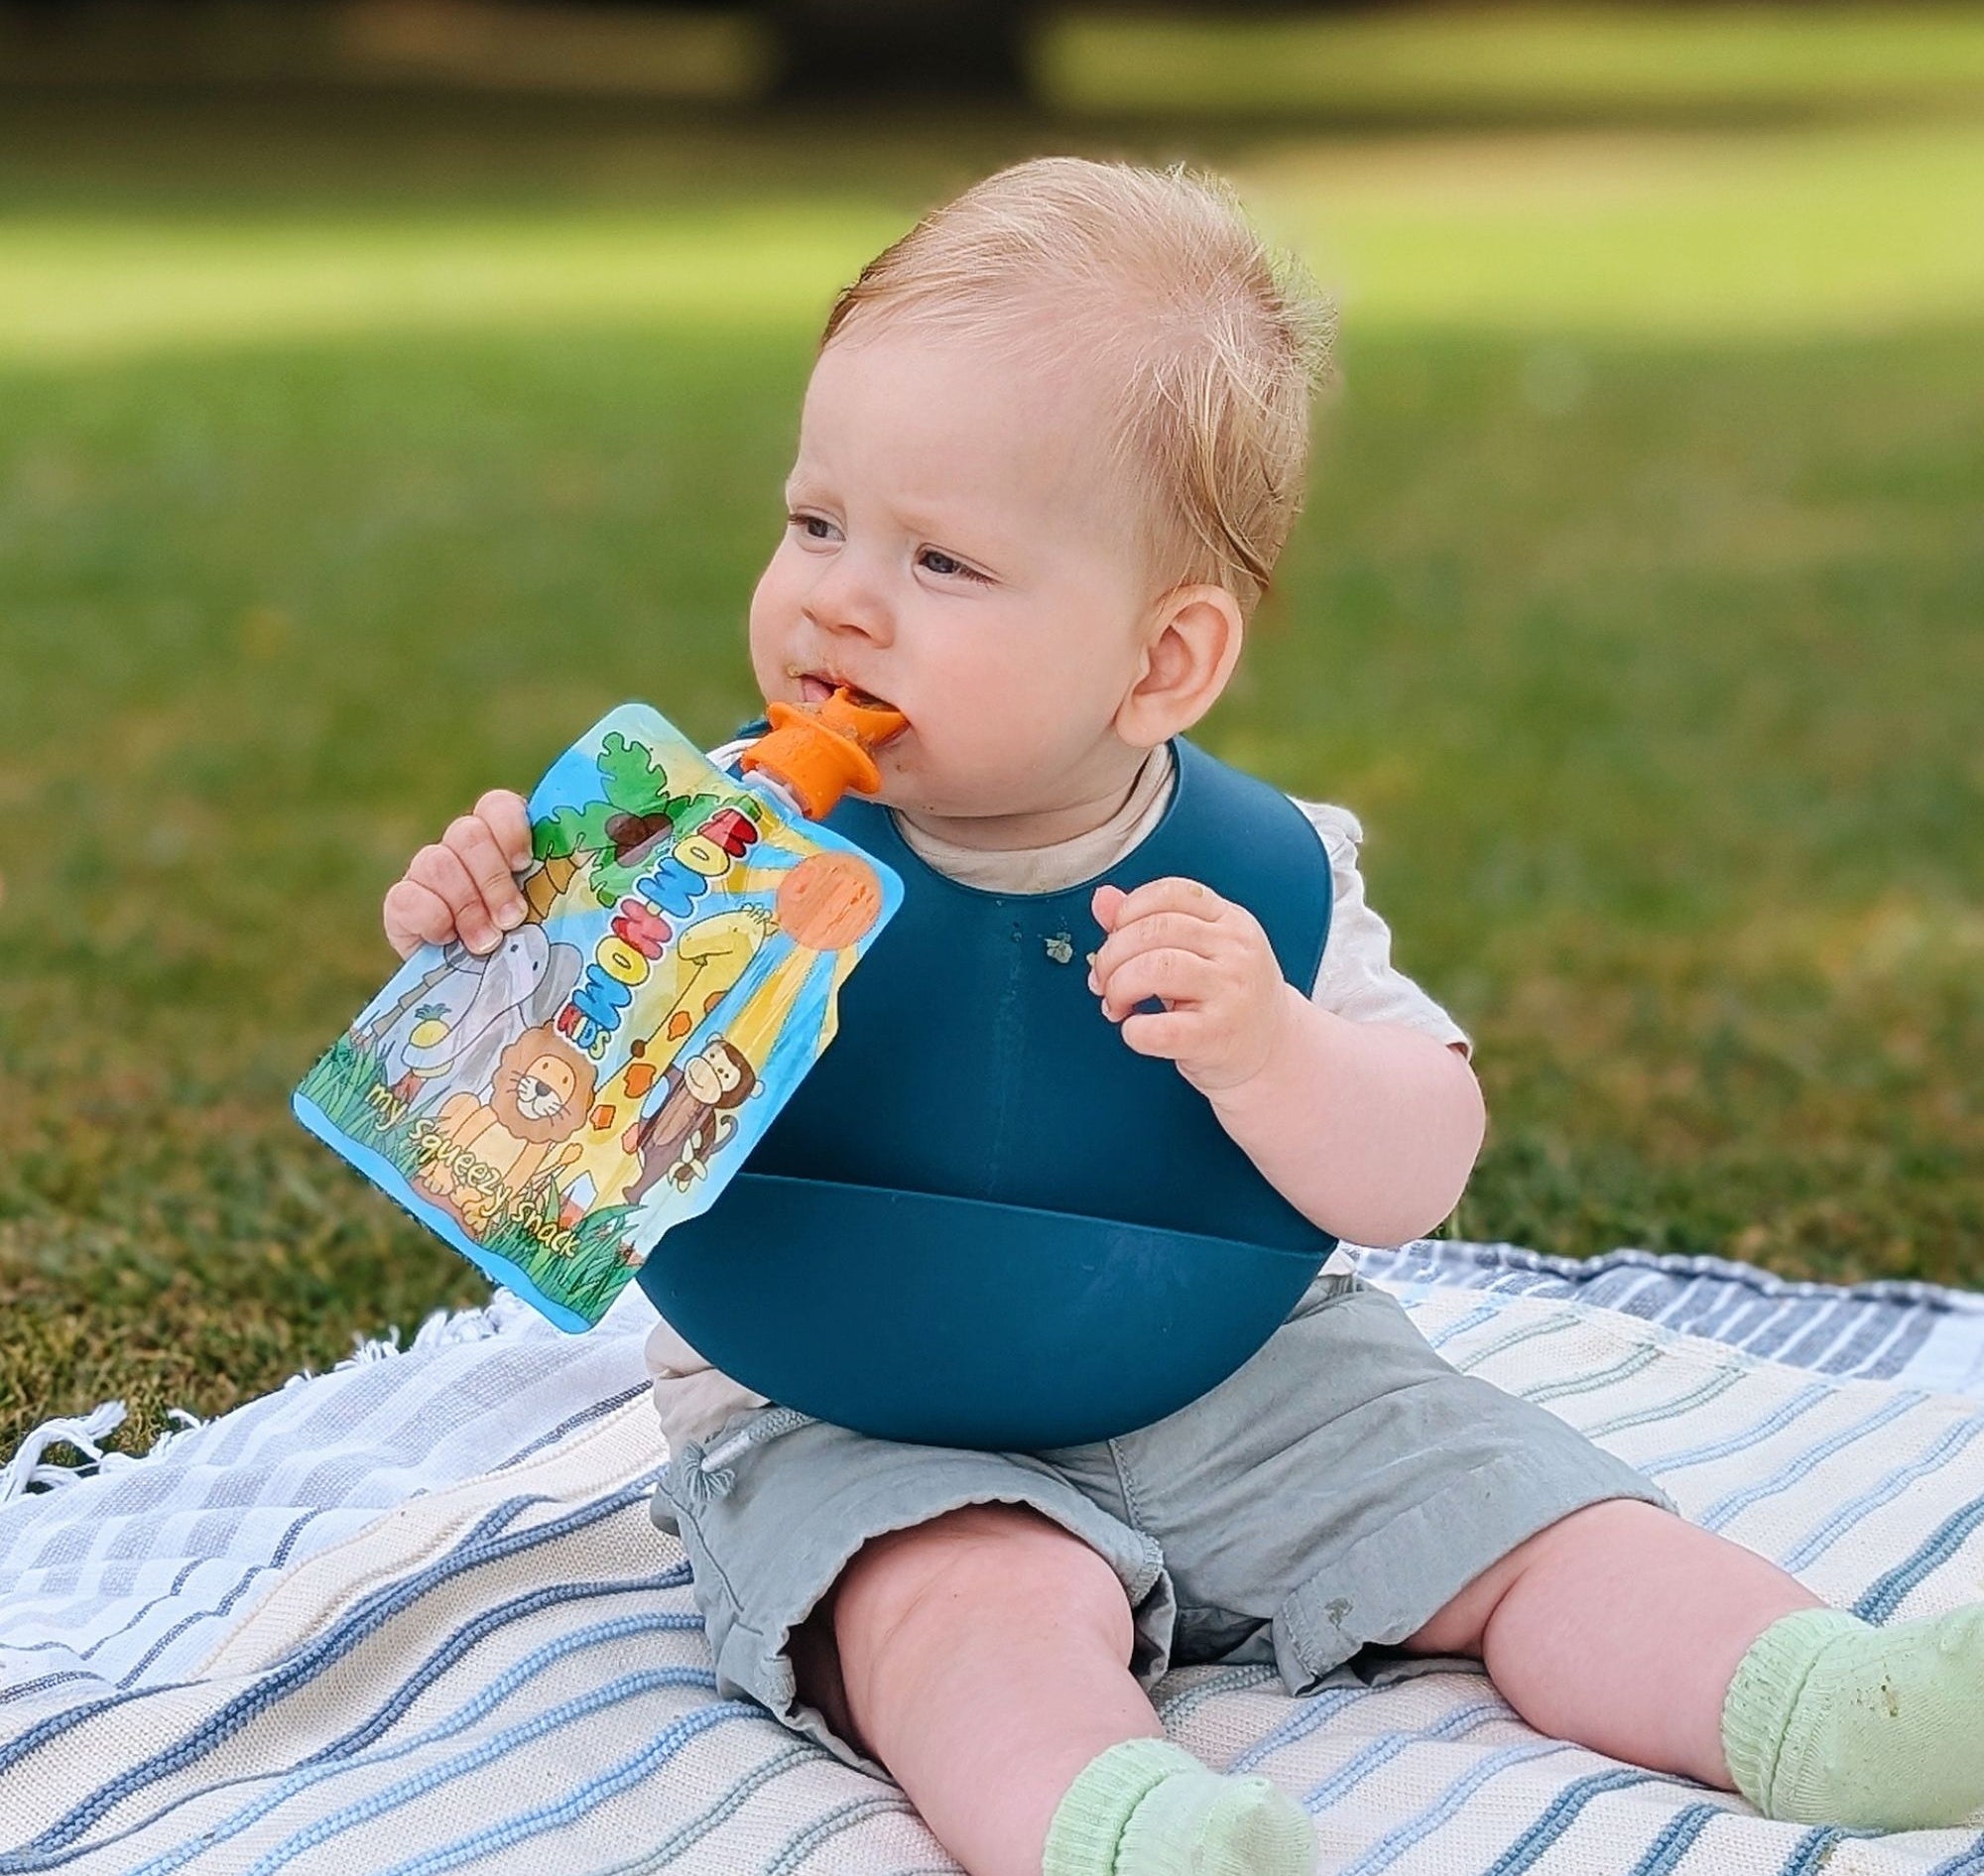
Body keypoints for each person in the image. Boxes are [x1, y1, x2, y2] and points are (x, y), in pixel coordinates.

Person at [381, 158, 1984, 1876]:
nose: (838, 598)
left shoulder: (1260, 883)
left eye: (940, 558)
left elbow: (1420, 1165)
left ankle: (1818, 1701)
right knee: (958, 1608)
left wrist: (1273, 1052)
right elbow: (525, 1109)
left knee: (1515, 1501)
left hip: (1242, 1377)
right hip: (850, 1412)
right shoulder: (690, 856)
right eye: (815, 519)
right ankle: (1119, 1827)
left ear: (1159, 665)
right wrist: (491, 938)